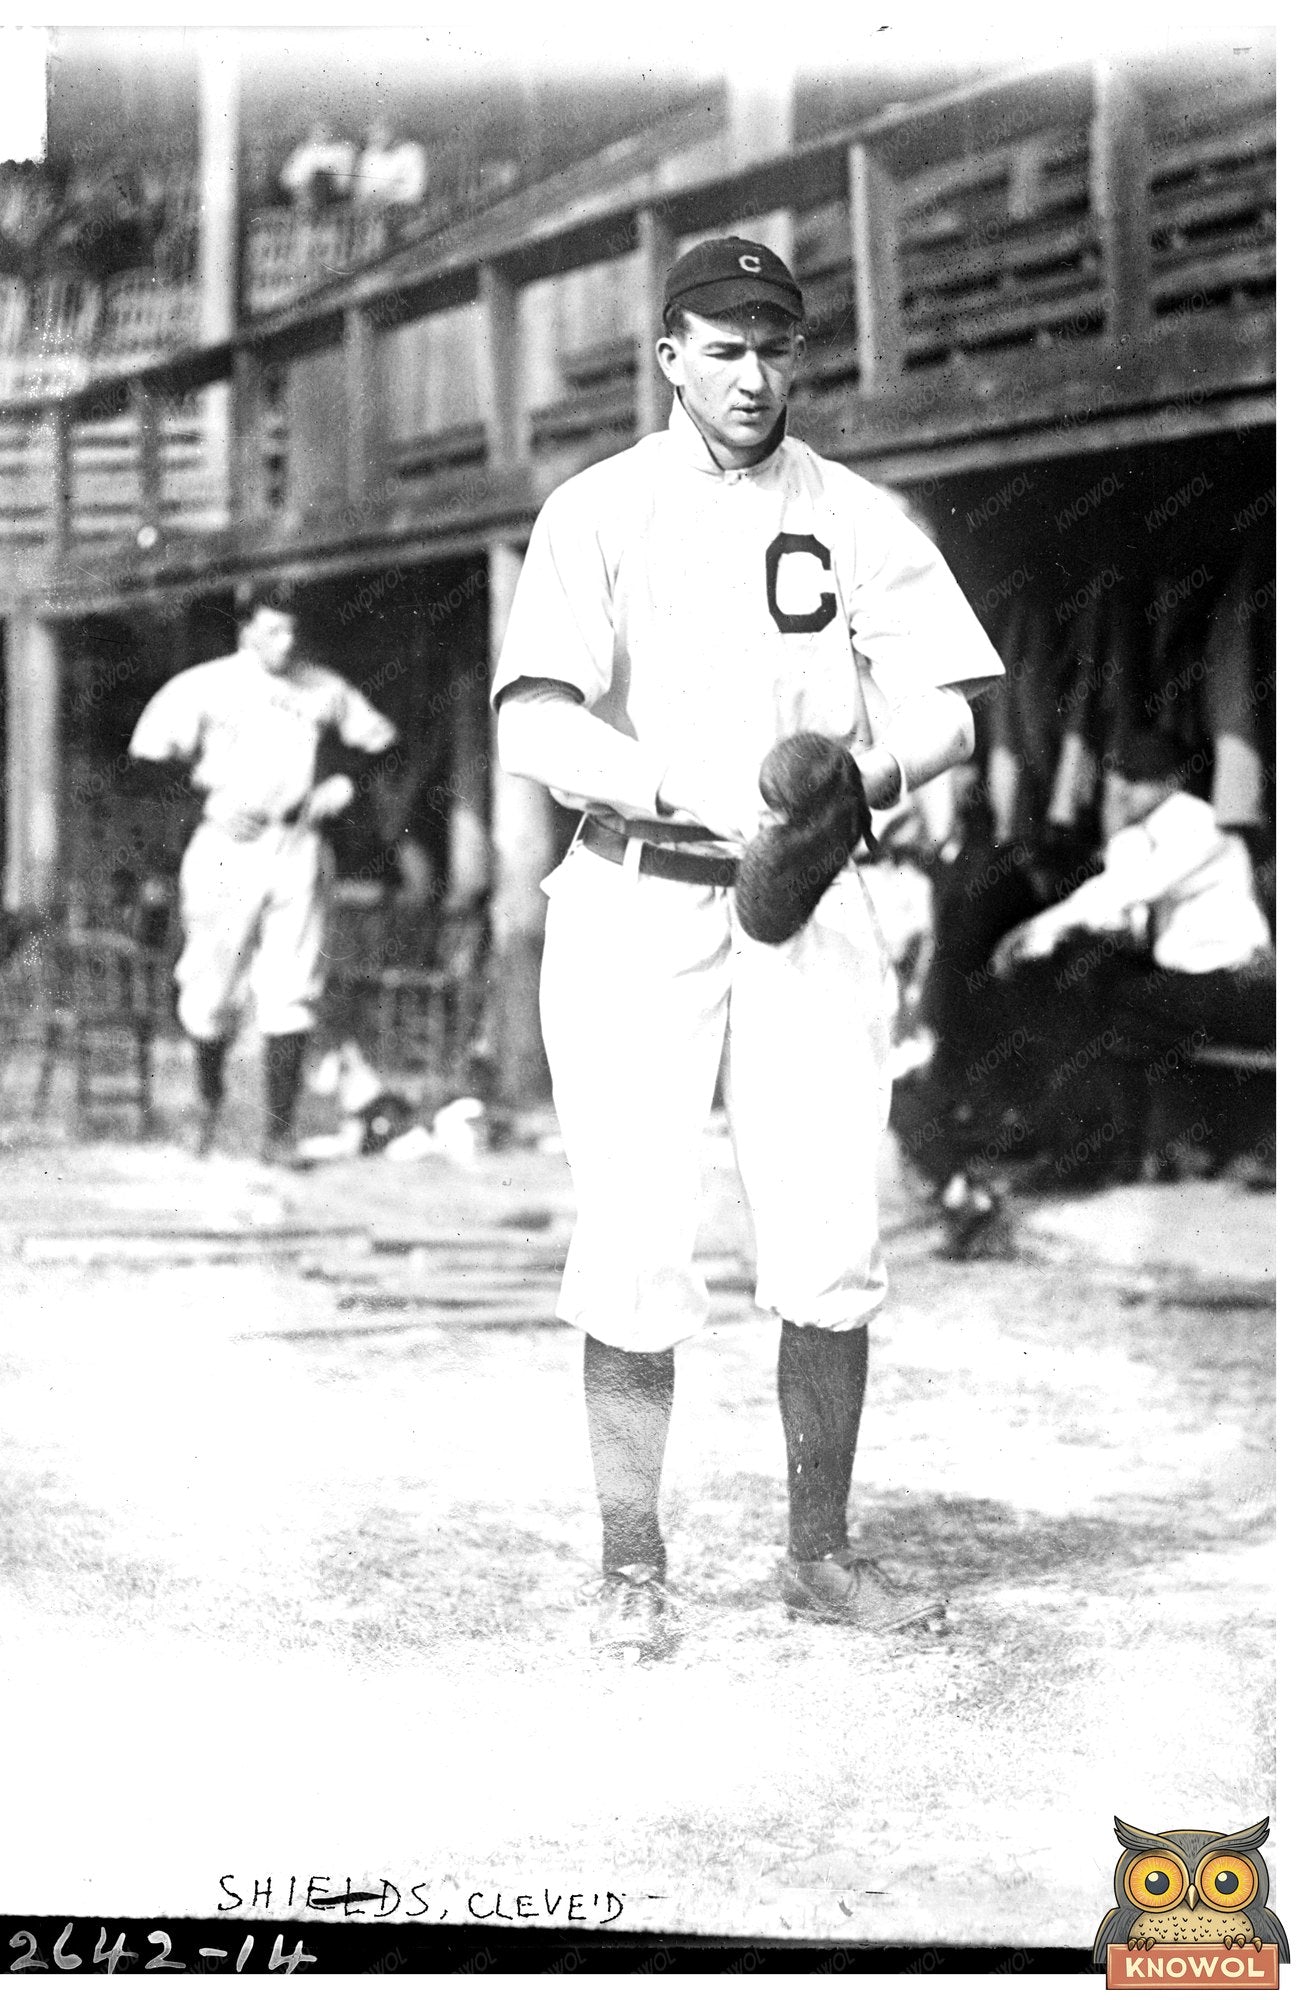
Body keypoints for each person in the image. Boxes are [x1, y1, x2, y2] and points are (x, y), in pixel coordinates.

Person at [493, 237, 1005, 1661]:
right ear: (669, 356)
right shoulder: (598, 509)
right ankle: (630, 1570)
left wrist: (866, 777)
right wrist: (681, 786)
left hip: (808, 894)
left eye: (775, 345)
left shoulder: (850, 512)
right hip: (639, 888)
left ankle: (818, 1554)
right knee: (636, 1237)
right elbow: (534, 724)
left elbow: (955, 702)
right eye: (722, 346)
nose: (752, 373)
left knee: (830, 1233)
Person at [127, 591, 397, 1165]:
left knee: (292, 987)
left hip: (296, 841)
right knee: (210, 986)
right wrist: (199, 805)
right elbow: (146, 763)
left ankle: (278, 1133)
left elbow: (379, 744)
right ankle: (207, 1103)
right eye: (273, 631)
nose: (287, 643)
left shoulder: (322, 687)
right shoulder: (204, 685)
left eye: (293, 632)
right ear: (247, 630)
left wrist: (344, 782)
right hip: (226, 843)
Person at [988, 729, 1274, 1174]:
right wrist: (1039, 938)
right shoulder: (1138, 835)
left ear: (1174, 781)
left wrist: (1036, 926)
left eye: (1138, 778)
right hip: (1192, 984)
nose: (1122, 788)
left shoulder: (1201, 824)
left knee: (1092, 1003)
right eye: (1120, 776)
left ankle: (1086, 1142)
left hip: (1238, 986)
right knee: (1078, 985)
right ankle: (1083, 1136)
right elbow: (1114, 911)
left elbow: (1130, 889)